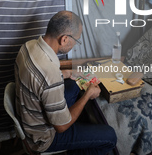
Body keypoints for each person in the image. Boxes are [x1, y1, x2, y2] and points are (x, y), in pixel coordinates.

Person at [14, 10, 117, 155]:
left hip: (29, 116)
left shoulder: (28, 46)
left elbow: (39, 80)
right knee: (110, 136)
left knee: (73, 85)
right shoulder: (50, 73)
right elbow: (61, 127)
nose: (75, 44)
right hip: (43, 138)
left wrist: (67, 73)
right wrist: (87, 95)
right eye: (76, 40)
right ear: (64, 39)